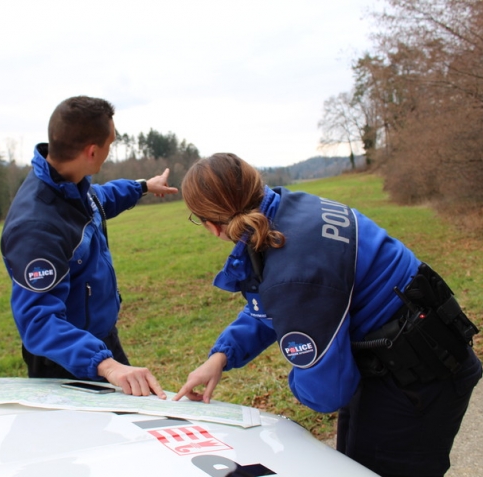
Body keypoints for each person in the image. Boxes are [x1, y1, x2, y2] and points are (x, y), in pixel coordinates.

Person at [173, 153, 481, 477]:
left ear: (210, 224)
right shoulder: (291, 209)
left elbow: (327, 391)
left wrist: (298, 378)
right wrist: (222, 355)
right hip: (422, 351)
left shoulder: (292, 269)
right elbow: (275, 303)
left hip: (415, 380)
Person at [0, 95, 177, 398]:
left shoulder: (72, 186)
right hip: (65, 360)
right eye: (110, 145)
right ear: (92, 151)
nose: (109, 152)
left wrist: (142, 187)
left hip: (100, 343)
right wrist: (105, 365)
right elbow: (39, 322)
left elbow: (100, 198)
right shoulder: (37, 226)